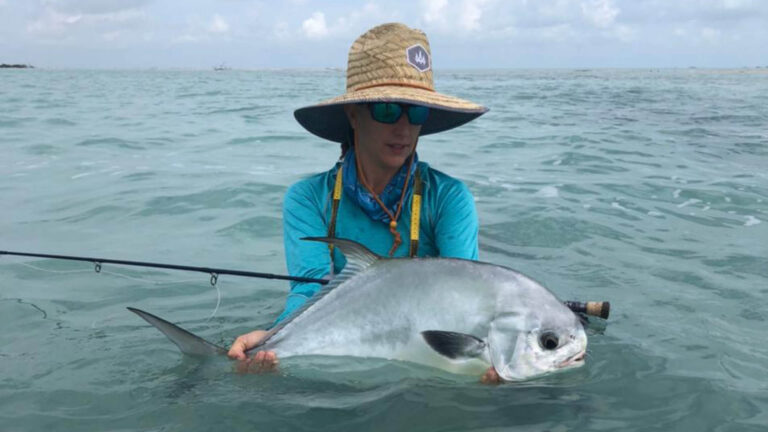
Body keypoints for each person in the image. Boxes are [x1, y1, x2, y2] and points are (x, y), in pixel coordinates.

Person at [228, 23, 500, 382]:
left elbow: (465, 296)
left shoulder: (449, 199)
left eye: (416, 112)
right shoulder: (308, 198)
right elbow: (309, 287)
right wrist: (273, 336)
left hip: (421, 359)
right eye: (388, 110)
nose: (403, 128)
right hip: (347, 354)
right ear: (353, 114)